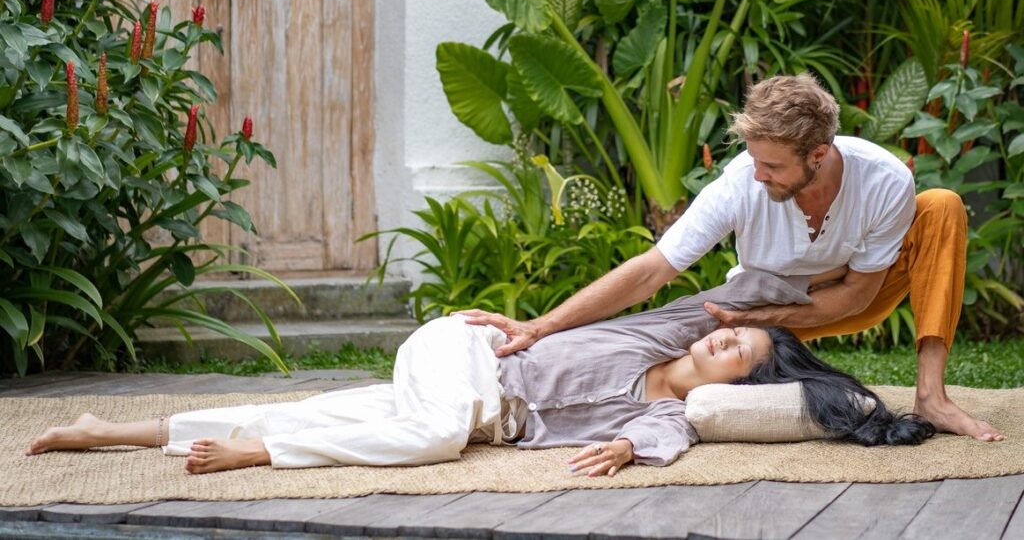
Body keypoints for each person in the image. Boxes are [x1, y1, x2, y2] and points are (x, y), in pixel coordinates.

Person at [459, 73, 1003, 442]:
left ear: (817, 155)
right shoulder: (740, 182)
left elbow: (858, 296)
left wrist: (763, 321)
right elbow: (655, 269)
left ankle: (932, 395)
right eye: (754, 160)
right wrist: (543, 325)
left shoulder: (883, 179)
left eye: (772, 165)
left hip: (850, 293)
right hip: (749, 302)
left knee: (941, 206)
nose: (758, 173)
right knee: (654, 343)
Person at [26, 271, 932, 476]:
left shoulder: (675, 416)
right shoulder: (671, 325)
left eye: (736, 359)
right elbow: (735, 284)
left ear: (732, 389)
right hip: (460, 354)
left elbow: (661, 435)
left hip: (466, 397)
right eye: (730, 338)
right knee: (430, 434)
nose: (720, 346)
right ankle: (262, 458)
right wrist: (529, 324)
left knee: (330, 406)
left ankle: (118, 432)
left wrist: (621, 447)